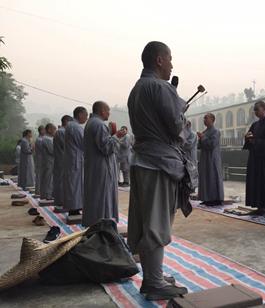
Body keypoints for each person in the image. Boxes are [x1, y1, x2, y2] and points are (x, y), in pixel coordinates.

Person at [127, 41, 188, 300]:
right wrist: (180, 110)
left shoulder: (137, 89)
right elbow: (176, 128)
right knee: (156, 223)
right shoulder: (160, 87)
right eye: (170, 58)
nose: (172, 64)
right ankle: (153, 282)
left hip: (142, 160)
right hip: (159, 163)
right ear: (159, 60)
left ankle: (155, 275)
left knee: (145, 221)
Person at [83, 101, 124, 227]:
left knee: (95, 195)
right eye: (108, 110)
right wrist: (117, 135)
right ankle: (103, 224)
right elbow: (106, 148)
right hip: (102, 167)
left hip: (95, 166)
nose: (109, 113)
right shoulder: (100, 125)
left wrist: (111, 135)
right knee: (103, 196)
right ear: (102, 111)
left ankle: (95, 222)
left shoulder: (91, 123)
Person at [63, 107, 88, 216]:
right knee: (75, 185)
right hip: (75, 160)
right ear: (80, 114)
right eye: (85, 115)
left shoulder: (70, 126)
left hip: (73, 159)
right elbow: (84, 143)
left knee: (73, 185)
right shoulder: (76, 127)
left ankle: (75, 207)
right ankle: (74, 208)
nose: (86, 118)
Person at [197, 113, 224, 206]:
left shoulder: (216, 131)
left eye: (206, 118)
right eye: (204, 119)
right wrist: (200, 139)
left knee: (213, 177)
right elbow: (199, 146)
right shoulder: (204, 132)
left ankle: (215, 199)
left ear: (212, 119)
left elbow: (212, 144)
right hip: (205, 159)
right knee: (205, 178)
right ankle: (207, 198)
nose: (204, 120)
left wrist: (203, 138)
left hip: (212, 159)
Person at [53, 115, 73, 209]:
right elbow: (66, 146)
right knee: (62, 181)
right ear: (66, 121)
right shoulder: (62, 132)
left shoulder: (59, 131)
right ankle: (61, 201)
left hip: (60, 159)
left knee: (60, 180)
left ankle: (59, 200)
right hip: (62, 159)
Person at [40, 123, 57, 201]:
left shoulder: (47, 138)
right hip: (49, 161)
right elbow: (52, 151)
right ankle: (48, 195)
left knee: (48, 178)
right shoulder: (47, 139)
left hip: (49, 161)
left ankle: (46, 194)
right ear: (49, 130)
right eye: (54, 129)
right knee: (49, 178)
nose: (55, 131)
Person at [34, 126, 46, 196]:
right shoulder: (40, 140)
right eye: (44, 130)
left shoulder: (42, 139)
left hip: (41, 159)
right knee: (39, 175)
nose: (45, 131)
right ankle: (38, 191)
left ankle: (40, 190)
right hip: (40, 159)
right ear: (41, 131)